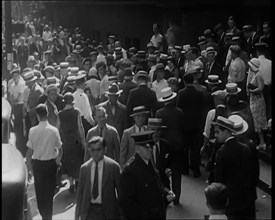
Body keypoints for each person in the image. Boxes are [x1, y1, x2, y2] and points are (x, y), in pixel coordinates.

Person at [119, 131, 175, 220]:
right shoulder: (130, 171)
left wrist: (166, 193)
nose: (150, 150)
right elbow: (125, 202)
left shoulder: (149, 164)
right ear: (137, 148)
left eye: (151, 146)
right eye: (147, 147)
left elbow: (157, 186)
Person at [213, 116, 258, 220]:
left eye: (217, 132)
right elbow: (254, 173)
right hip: (247, 199)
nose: (215, 135)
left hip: (231, 201)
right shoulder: (246, 148)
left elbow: (219, 180)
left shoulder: (222, 152)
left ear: (226, 132)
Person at [26, 104, 62, 220]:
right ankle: (48, 216)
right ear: (47, 114)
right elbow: (60, 150)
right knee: (50, 193)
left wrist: (29, 169)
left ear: (37, 115)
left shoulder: (33, 131)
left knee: (40, 193)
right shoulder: (54, 130)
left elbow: (29, 153)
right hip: (51, 165)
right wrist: (57, 161)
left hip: (38, 166)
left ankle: (44, 215)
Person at [75, 136, 121, 220]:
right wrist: (77, 215)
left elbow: (120, 192)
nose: (96, 153)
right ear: (89, 150)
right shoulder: (84, 168)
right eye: (93, 150)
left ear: (105, 149)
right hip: (89, 211)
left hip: (107, 212)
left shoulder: (113, 167)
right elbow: (80, 194)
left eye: (99, 149)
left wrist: (122, 215)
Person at [156, 87, 185, 205]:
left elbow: (158, 131)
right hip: (178, 145)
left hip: (165, 146)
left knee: (163, 171)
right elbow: (183, 129)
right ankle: (177, 197)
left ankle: (166, 195)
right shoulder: (179, 112)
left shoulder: (159, 113)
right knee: (177, 173)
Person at [177, 73, 205, 178]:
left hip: (185, 124)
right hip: (196, 124)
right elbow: (202, 107)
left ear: (184, 82)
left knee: (185, 147)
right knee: (195, 148)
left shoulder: (181, 93)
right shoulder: (200, 93)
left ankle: (185, 168)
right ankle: (196, 169)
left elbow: (179, 108)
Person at [58, 92, 85, 193]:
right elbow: (80, 127)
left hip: (66, 141)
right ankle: (77, 181)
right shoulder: (76, 112)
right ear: (72, 102)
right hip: (76, 140)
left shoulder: (60, 114)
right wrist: (83, 140)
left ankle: (71, 183)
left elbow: (57, 127)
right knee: (77, 160)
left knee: (68, 161)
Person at [246, 58, 268, 150]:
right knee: (256, 120)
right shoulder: (254, 74)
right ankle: (260, 141)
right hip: (254, 99)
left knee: (257, 121)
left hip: (257, 100)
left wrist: (251, 90)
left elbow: (260, 88)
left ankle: (262, 142)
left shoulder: (258, 74)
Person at [73, 70, 95, 135]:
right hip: (84, 124)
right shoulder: (83, 96)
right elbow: (87, 115)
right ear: (83, 83)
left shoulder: (73, 95)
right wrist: (93, 123)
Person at [255, 42, 272, 120]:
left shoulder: (254, 63)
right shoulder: (270, 63)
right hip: (269, 88)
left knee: (259, 111)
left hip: (258, 90)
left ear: (257, 52)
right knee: (269, 108)